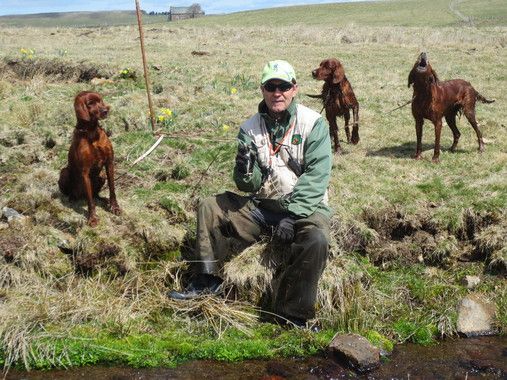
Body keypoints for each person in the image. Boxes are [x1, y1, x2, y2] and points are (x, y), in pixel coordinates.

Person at [168, 60, 332, 328]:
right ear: (262, 90)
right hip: (263, 209)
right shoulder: (249, 128)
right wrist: (244, 172)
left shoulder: (314, 124)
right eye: (271, 86)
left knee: (316, 239)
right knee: (210, 207)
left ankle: (292, 314)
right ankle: (207, 281)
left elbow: (317, 176)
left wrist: (292, 216)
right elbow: (249, 185)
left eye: (284, 86)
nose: (277, 92)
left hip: (306, 209)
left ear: (294, 89)